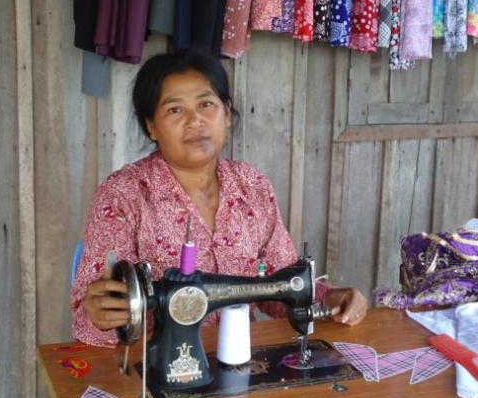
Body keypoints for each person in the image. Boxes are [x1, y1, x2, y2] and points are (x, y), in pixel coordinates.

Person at [71, 49, 368, 347]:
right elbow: (88, 324)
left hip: (238, 354)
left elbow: (280, 285)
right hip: (152, 362)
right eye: (175, 110)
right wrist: (101, 315)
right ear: (151, 126)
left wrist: (329, 298)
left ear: (226, 113)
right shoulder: (123, 196)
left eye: (206, 104)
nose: (195, 120)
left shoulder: (252, 186)